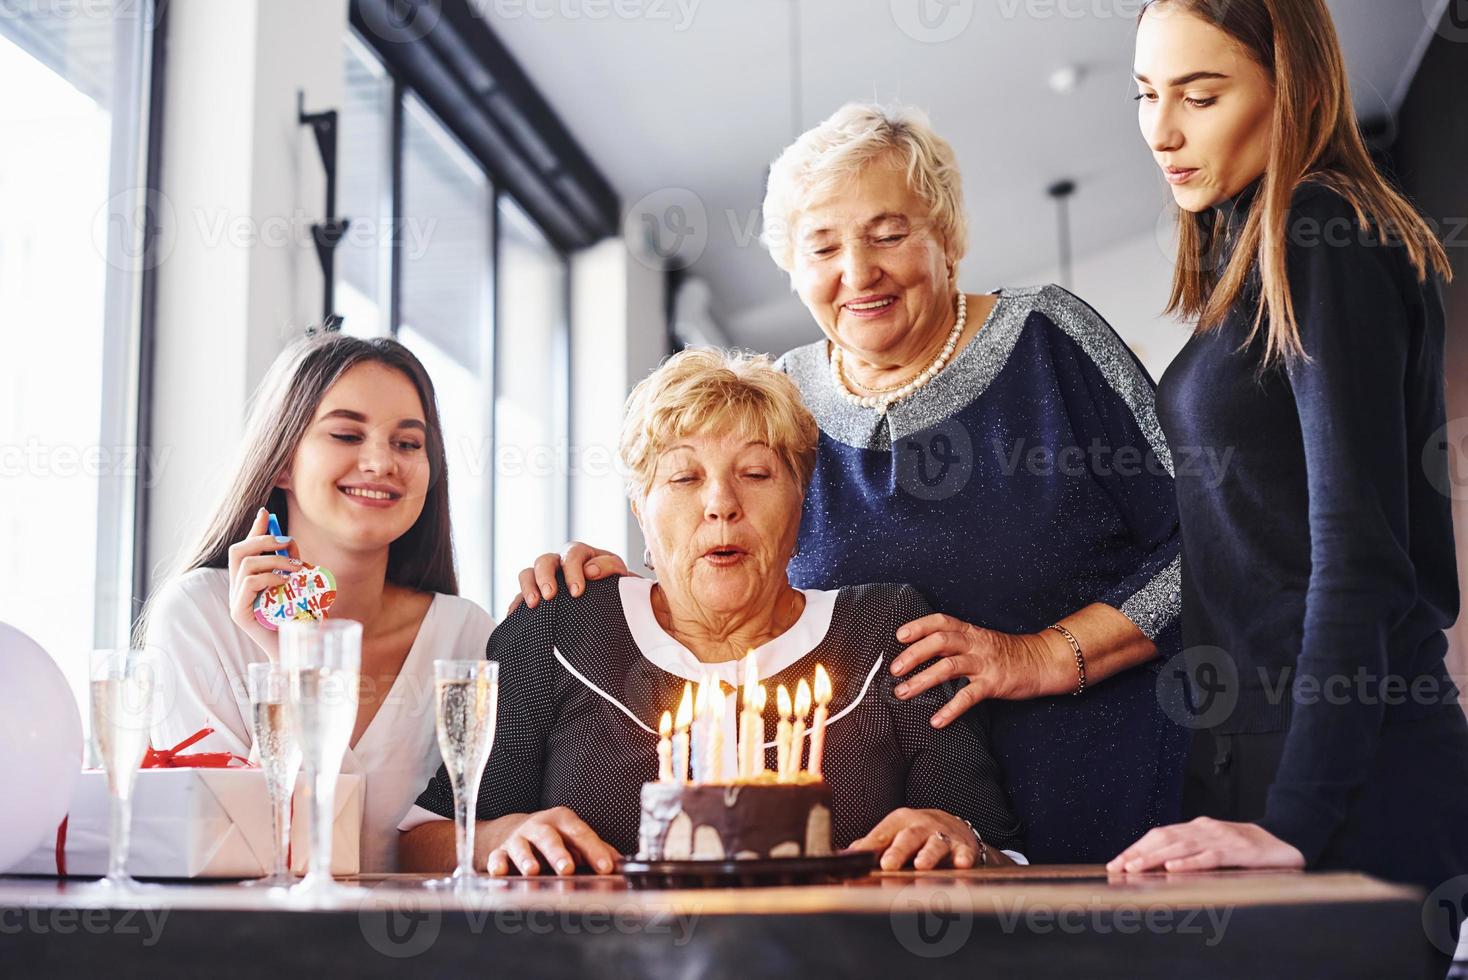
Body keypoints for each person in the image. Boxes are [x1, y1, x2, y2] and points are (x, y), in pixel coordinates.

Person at [512, 104, 1186, 863]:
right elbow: (737, 562)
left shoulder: (1048, 341)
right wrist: (620, 581)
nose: (858, 272)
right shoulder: (788, 399)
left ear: (949, 238)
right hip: (909, 833)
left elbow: (1201, 540)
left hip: (1099, 772)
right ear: (793, 269)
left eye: (889, 234)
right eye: (823, 245)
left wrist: (1042, 655)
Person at [399, 349, 1025, 875]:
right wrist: (491, 839)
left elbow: (998, 851)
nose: (722, 503)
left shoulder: (888, 632)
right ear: (640, 510)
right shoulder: (558, 627)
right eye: (683, 478)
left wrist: (958, 836)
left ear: (800, 500)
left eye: (755, 472)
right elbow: (417, 843)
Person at [1110, 0, 1468, 910]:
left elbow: (1359, 556)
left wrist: (1294, 819)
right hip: (1269, 768)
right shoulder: (1251, 255)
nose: (1161, 130)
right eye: (1147, 93)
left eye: (1200, 94)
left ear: (1291, 86)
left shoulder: (1324, 234)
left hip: (1349, 783)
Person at [142, 334, 493, 873]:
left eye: (407, 444)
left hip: (427, 949)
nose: (380, 462)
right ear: (281, 463)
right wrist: (288, 660)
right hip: (252, 945)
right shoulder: (197, 619)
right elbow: (239, 847)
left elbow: (477, 835)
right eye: (347, 434)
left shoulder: (466, 635)